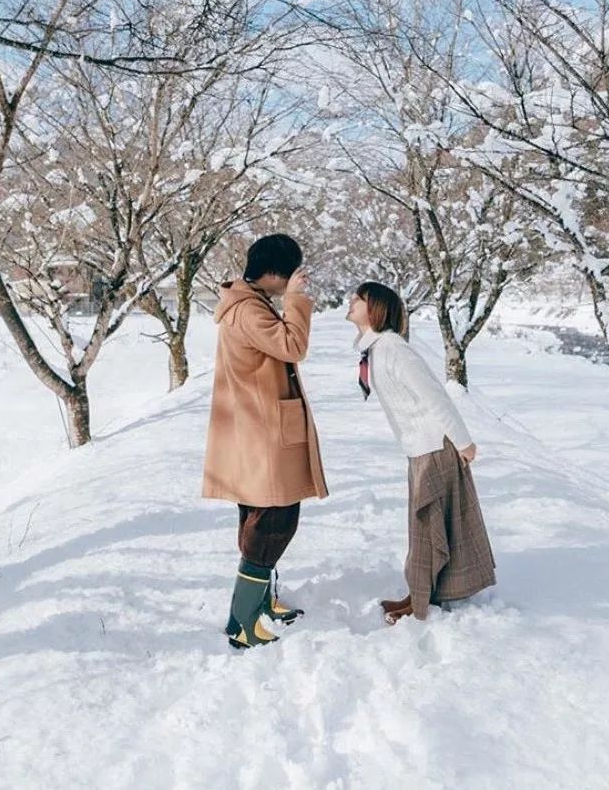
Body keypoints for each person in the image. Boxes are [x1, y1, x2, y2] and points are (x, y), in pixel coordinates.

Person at [203, 234, 328, 648]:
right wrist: (295, 300)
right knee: (271, 523)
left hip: (259, 430)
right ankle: (242, 621)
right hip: (262, 433)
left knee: (264, 518)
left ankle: (261, 604)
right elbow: (293, 346)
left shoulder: (248, 304)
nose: (295, 278)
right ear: (275, 271)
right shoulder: (248, 312)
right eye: (291, 272)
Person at [347, 281, 496, 623]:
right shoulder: (378, 348)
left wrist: (463, 442)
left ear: (377, 309)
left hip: (434, 446)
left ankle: (419, 604)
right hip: (418, 447)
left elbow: (435, 396)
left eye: (360, 299)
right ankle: (419, 595)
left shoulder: (394, 350)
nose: (352, 302)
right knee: (424, 528)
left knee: (427, 527)